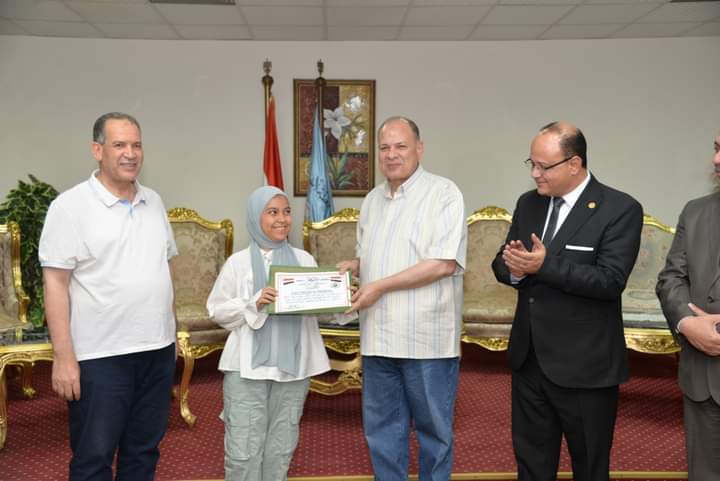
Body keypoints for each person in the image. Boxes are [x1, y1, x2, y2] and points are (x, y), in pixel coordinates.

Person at [492, 121, 643, 481]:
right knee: (531, 465)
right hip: (529, 360)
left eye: (544, 166)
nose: (535, 174)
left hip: (585, 367)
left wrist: (544, 266)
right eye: (531, 164)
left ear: (574, 164)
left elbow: (610, 281)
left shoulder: (619, 208)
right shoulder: (528, 203)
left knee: (589, 467)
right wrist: (515, 269)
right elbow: (502, 261)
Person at [39, 112, 177, 481]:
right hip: (100, 358)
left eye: (136, 145)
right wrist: (63, 357)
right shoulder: (69, 207)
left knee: (143, 453)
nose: (130, 153)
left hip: (157, 352)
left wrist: (172, 331)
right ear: (97, 150)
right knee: (93, 458)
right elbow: (55, 284)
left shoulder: (154, 201)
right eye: (119, 145)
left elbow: (165, 268)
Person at [338, 116, 467, 481]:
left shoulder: (444, 194)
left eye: (401, 146)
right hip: (378, 338)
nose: (391, 154)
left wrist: (379, 286)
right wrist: (356, 266)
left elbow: (443, 263)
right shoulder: (371, 201)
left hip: (425, 341)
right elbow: (376, 255)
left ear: (419, 149)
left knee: (434, 435)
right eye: (384, 147)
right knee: (382, 434)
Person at [207, 186, 337, 481]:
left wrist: (341, 297)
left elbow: (320, 309)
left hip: (294, 368)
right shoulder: (238, 263)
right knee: (243, 450)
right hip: (246, 368)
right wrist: (254, 302)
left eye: (287, 211)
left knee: (281, 447)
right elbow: (217, 310)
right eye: (272, 212)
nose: (282, 219)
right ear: (256, 217)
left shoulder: (305, 260)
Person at [656, 133, 720, 481]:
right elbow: (671, 278)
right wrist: (685, 322)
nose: (716, 160)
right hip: (702, 379)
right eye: (716, 148)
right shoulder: (695, 211)